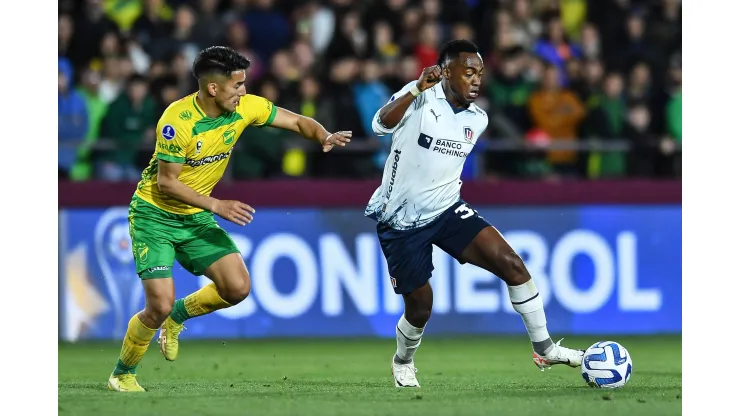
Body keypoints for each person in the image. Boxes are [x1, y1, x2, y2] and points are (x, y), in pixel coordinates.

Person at [107, 46, 352, 392]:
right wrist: (216, 205)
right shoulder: (176, 121)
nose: (243, 92)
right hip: (155, 216)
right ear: (212, 88)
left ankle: (179, 316)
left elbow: (296, 120)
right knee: (157, 304)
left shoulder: (245, 107)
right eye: (237, 85)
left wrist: (323, 135)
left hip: (195, 217)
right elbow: (167, 181)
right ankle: (122, 373)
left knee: (237, 288)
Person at [365, 40, 584, 388]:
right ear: (446, 72)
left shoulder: (477, 118)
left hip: (448, 209)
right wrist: (415, 90)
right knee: (421, 307)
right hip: (402, 220)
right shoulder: (421, 95)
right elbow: (380, 124)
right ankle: (402, 360)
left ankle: (544, 348)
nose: (477, 80)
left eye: (480, 73)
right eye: (469, 72)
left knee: (513, 264)